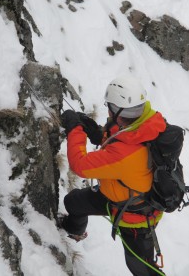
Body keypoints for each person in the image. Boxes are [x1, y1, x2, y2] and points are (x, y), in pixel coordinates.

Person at [60, 75, 166, 276]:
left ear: (116, 110)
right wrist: (98, 133)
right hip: (119, 194)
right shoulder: (146, 122)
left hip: (135, 218)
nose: (107, 109)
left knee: (142, 269)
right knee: (73, 202)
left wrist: (75, 131)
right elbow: (124, 139)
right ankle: (74, 232)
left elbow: (80, 165)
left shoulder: (126, 154)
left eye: (109, 106)